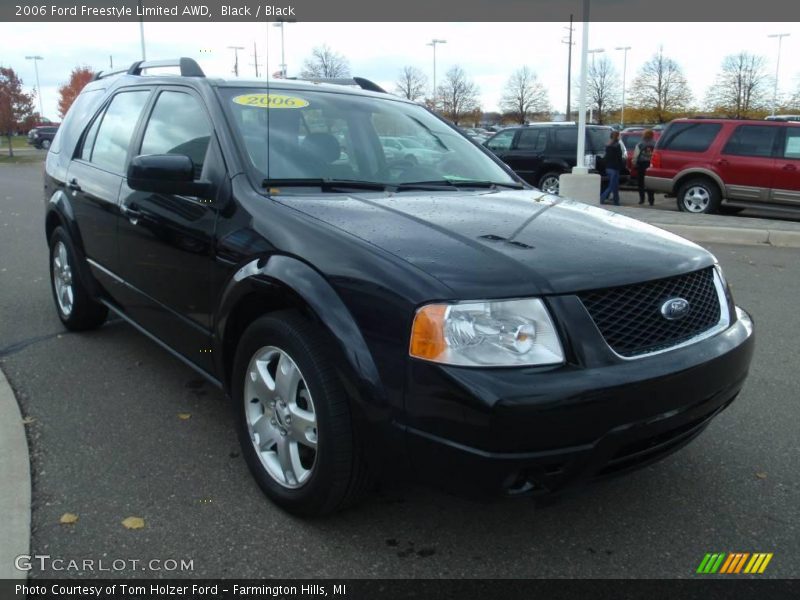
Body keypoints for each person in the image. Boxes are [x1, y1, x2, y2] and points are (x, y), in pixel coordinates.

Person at [599, 130, 623, 206]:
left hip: (608, 167)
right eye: (619, 135)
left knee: (614, 185)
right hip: (615, 167)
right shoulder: (617, 145)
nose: (620, 137)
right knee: (612, 185)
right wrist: (621, 166)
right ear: (617, 137)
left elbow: (606, 157)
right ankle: (601, 199)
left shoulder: (608, 145)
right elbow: (619, 157)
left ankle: (616, 201)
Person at [634, 129, 656, 206]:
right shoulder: (655, 144)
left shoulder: (640, 144)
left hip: (641, 164)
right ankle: (651, 200)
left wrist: (634, 163)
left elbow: (636, 155)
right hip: (651, 165)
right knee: (650, 183)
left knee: (641, 183)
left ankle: (642, 199)